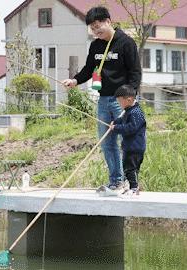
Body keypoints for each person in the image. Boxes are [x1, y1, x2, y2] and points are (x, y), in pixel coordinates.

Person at [62, 6, 142, 190]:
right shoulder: (95, 45)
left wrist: (130, 99)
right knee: (107, 143)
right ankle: (116, 181)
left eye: (98, 26)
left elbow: (135, 72)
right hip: (104, 100)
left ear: (108, 21)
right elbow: (88, 69)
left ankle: (132, 183)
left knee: (128, 142)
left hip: (122, 101)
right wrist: (75, 80)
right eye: (92, 28)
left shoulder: (126, 42)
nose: (96, 30)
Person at [109, 84, 146, 196]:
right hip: (129, 147)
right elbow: (122, 119)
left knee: (131, 169)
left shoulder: (136, 112)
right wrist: (115, 122)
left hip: (134, 147)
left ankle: (134, 188)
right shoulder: (129, 110)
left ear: (129, 99)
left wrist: (117, 128)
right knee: (128, 168)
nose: (119, 104)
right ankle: (131, 187)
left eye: (120, 102)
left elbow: (131, 128)